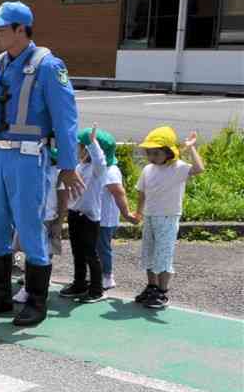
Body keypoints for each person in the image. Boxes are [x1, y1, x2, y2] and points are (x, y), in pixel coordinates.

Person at [0, 1, 83, 326]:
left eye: (1, 28)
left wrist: (69, 165)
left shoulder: (48, 66)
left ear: (21, 30)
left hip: (30, 158)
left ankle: (35, 301)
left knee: (30, 229)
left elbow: (66, 118)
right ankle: (0, 296)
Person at [134, 127, 204, 309]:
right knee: (148, 253)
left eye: (156, 153)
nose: (151, 156)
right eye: (149, 152)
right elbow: (141, 192)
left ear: (168, 152)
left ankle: (162, 291)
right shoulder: (148, 169)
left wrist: (190, 148)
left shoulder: (177, 167)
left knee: (163, 255)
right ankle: (151, 286)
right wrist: (139, 211)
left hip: (168, 217)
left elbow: (199, 169)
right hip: (150, 216)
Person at [59, 126, 111, 303]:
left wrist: (92, 142)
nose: (78, 150)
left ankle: (97, 289)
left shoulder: (98, 170)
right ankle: (79, 283)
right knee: (77, 252)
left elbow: (100, 160)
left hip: (89, 218)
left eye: (81, 146)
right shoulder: (79, 166)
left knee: (91, 254)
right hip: (75, 214)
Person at [13, 147, 67, 304]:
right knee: (31, 253)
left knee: (46, 255)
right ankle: (30, 285)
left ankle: (36, 287)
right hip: (31, 218)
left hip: (49, 219)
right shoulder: (33, 170)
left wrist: (59, 222)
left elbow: (63, 201)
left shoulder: (59, 174)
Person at [97, 139, 138, 290]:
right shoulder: (98, 167)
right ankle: (97, 274)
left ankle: (107, 275)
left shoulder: (110, 170)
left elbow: (119, 192)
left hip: (105, 218)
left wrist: (126, 213)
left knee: (102, 247)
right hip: (95, 216)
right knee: (95, 247)